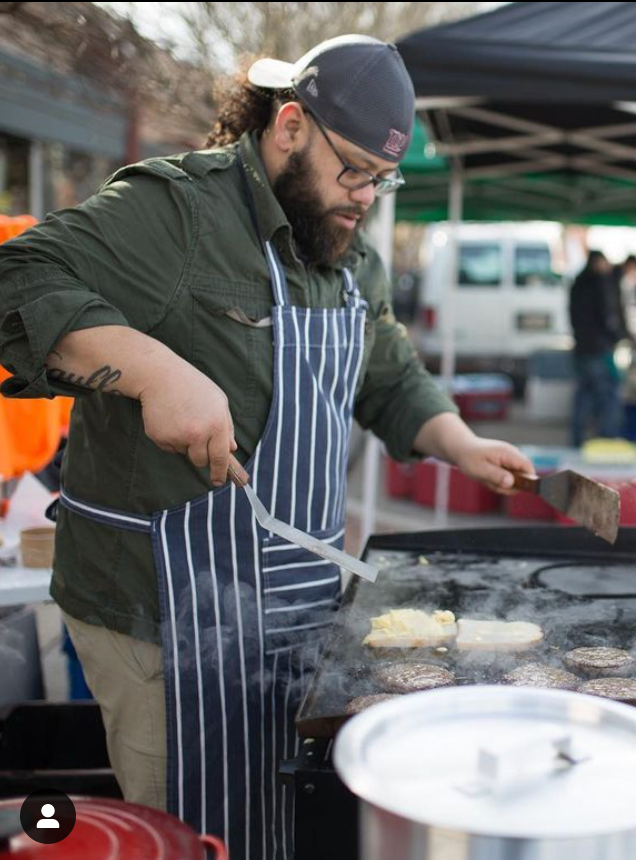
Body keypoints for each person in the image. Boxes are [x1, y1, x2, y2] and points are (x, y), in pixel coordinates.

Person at [0, 35, 534, 860]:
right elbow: (18, 279)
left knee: (275, 822)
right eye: (354, 169)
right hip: (160, 610)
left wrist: (457, 442)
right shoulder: (178, 211)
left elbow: (383, 364)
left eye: (381, 180)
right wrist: (152, 371)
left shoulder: (342, 240)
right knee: (188, 832)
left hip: (294, 603)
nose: (365, 198)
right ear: (290, 126)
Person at [569, 250, 629, 446]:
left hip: (581, 349)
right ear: (598, 263)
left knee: (584, 395)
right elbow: (608, 316)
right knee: (608, 395)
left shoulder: (577, 284)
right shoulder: (599, 284)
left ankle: (578, 439)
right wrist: (619, 337)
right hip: (599, 349)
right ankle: (607, 441)